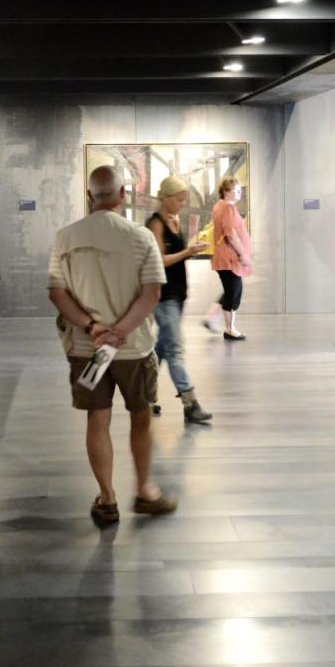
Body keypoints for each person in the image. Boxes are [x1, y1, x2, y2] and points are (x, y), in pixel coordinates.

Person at [48, 164, 177, 525]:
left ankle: (107, 499)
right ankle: (145, 491)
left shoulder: (65, 237)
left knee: (97, 419)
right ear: (122, 195)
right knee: (141, 416)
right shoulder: (140, 237)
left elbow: (57, 293)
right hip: (133, 347)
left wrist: (92, 327)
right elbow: (152, 293)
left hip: (85, 348)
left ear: (90, 196)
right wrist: (119, 331)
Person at [146, 175, 212, 423]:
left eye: (185, 199)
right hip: (163, 296)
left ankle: (144, 395)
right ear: (166, 197)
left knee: (161, 348)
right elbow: (158, 261)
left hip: (178, 293)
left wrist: (189, 252)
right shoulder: (156, 223)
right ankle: (190, 402)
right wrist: (187, 252)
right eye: (179, 199)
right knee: (175, 349)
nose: (183, 204)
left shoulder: (174, 220)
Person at [206, 177, 252, 340]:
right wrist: (243, 254)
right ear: (226, 191)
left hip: (224, 257)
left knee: (230, 289)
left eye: (240, 190)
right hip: (229, 258)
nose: (239, 193)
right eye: (236, 190)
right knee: (234, 292)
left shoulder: (219, 206)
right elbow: (231, 234)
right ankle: (230, 329)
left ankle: (212, 318)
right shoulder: (228, 208)